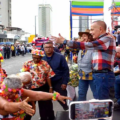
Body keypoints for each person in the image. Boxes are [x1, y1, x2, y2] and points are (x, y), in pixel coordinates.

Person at [52, 20, 116, 100]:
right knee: (98, 100)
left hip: (103, 75)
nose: (91, 32)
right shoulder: (101, 41)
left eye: (92, 29)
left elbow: (89, 45)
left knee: (102, 103)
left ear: (100, 29)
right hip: (99, 75)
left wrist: (65, 41)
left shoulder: (107, 38)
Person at [0, 75, 71, 120]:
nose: (13, 94)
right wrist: (19, 105)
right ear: (5, 88)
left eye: (16, 92)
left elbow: (37, 95)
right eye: (11, 92)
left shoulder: (18, 91)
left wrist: (55, 96)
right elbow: (6, 106)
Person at [21, 49, 55, 120]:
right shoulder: (27, 63)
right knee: (29, 108)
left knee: (44, 108)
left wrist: (50, 87)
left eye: (38, 58)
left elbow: (48, 76)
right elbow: (23, 76)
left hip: (42, 87)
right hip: (30, 89)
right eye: (34, 57)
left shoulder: (45, 64)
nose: (36, 59)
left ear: (41, 57)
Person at [43, 41, 69, 110]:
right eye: (46, 47)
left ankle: (66, 110)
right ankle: (50, 116)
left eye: (50, 47)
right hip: (46, 83)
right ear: (44, 48)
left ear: (53, 48)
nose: (48, 49)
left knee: (62, 100)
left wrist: (64, 82)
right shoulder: (41, 58)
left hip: (58, 81)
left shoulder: (60, 57)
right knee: (47, 102)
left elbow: (66, 70)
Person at [77, 29, 96, 101]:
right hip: (82, 73)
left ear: (90, 37)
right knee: (81, 93)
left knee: (96, 93)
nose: (82, 38)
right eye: (82, 36)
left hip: (92, 74)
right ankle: (80, 110)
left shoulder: (94, 47)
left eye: (84, 36)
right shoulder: (81, 48)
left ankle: (99, 110)